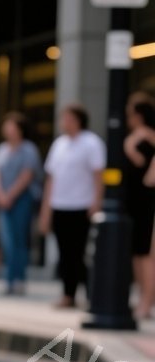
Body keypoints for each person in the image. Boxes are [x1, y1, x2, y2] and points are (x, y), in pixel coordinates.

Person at [42, 103, 107, 309]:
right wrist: (46, 210)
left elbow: (99, 175)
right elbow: (51, 179)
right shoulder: (59, 144)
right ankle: (68, 294)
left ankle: (91, 295)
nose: (63, 122)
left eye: (67, 118)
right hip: (61, 205)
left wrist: (97, 201)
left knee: (81, 253)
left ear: (78, 120)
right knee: (64, 253)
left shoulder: (91, 143)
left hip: (82, 205)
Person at [0, 113, 42, 297]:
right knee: (6, 241)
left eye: (11, 126)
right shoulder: (1, 150)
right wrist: (0, 196)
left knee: (19, 240)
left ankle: (18, 279)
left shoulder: (28, 150)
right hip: (3, 200)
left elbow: (26, 176)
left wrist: (9, 196)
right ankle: (9, 280)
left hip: (21, 199)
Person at [123, 100, 155, 319]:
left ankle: (146, 301)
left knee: (146, 254)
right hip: (133, 199)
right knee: (137, 252)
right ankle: (142, 298)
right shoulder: (133, 136)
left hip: (147, 200)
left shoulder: (147, 135)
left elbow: (143, 165)